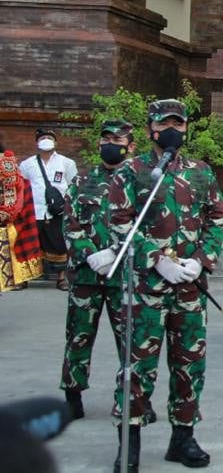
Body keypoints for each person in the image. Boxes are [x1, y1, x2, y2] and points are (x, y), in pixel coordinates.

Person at [108, 99, 223, 471]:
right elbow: (119, 222)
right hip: (145, 288)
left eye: (178, 123)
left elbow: (218, 216)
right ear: (151, 130)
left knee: (189, 363)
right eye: (164, 124)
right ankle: (130, 443)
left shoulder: (201, 172)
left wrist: (201, 260)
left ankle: (183, 437)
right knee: (137, 366)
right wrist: (157, 259)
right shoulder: (132, 171)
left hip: (189, 287)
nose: (172, 130)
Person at [60, 120, 139, 421]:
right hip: (86, 276)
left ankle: (133, 399)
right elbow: (69, 223)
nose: (110, 143)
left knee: (131, 342)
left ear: (131, 146)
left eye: (117, 139)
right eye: (106, 138)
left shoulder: (140, 183)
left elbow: (147, 226)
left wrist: (115, 253)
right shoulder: (82, 182)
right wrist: (90, 254)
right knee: (78, 336)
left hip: (125, 276)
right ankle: (72, 396)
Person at [19, 127, 78, 290]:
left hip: (57, 211)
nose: (46, 140)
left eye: (49, 137)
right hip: (33, 211)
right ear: (37, 142)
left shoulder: (67, 163)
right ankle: (24, 278)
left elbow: (74, 187)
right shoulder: (27, 164)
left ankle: (61, 279)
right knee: (29, 244)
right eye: (43, 137)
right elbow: (21, 187)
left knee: (59, 244)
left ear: (56, 142)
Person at [0, 148, 44, 292]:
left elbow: (16, 188)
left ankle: (15, 278)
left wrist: (8, 211)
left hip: (7, 217)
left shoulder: (7, 162)